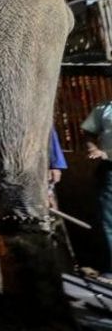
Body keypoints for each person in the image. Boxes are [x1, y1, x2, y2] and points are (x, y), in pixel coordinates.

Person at [82, 100, 112, 276]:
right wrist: (93, 148)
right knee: (109, 221)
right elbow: (88, 131)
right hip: (110, 168)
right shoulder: (104, 108)